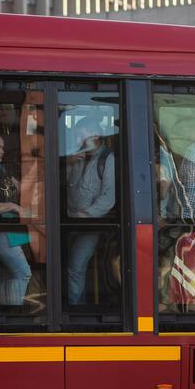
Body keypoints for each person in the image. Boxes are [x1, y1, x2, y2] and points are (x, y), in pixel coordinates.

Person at [65, 119, 115, 306]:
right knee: (69, 267)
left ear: (95, 136)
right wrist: (68, 164)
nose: (78, 138)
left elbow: (108, 197)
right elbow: (64, 186)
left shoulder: (108, 159)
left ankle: (75, 310)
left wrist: (86, 214)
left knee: (75, 267)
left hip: (91, 224)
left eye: (82, 135)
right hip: (69, 222)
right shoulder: (77, 156)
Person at [0, 133, 31, 307]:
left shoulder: (1, 169)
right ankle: (14, 310)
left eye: (3, 147)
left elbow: (20, 187)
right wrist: (13, 206)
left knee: (8, 273)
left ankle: (3, 307)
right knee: (23, 273)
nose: (2, 151)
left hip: (12, 230)